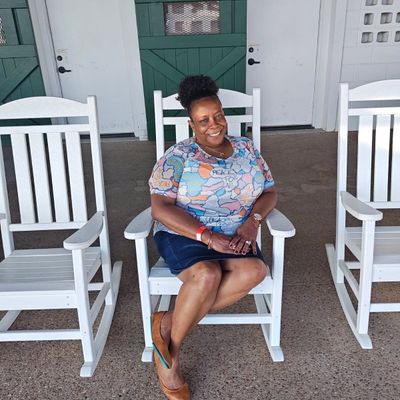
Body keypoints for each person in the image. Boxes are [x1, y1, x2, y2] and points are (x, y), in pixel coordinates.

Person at [149, 75, 277, 400]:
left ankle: (168, 324)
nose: (214, 124)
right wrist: (207, 237)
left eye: (218, 115)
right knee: (207, 274)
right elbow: (160, 208)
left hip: (236, 233)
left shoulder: (247, 148)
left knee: (256, 271)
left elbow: (270, 192)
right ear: (192, 124)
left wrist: (253, 222)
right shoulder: (178, 156)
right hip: (186, 233)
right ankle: (171, 360)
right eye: (204, 120)